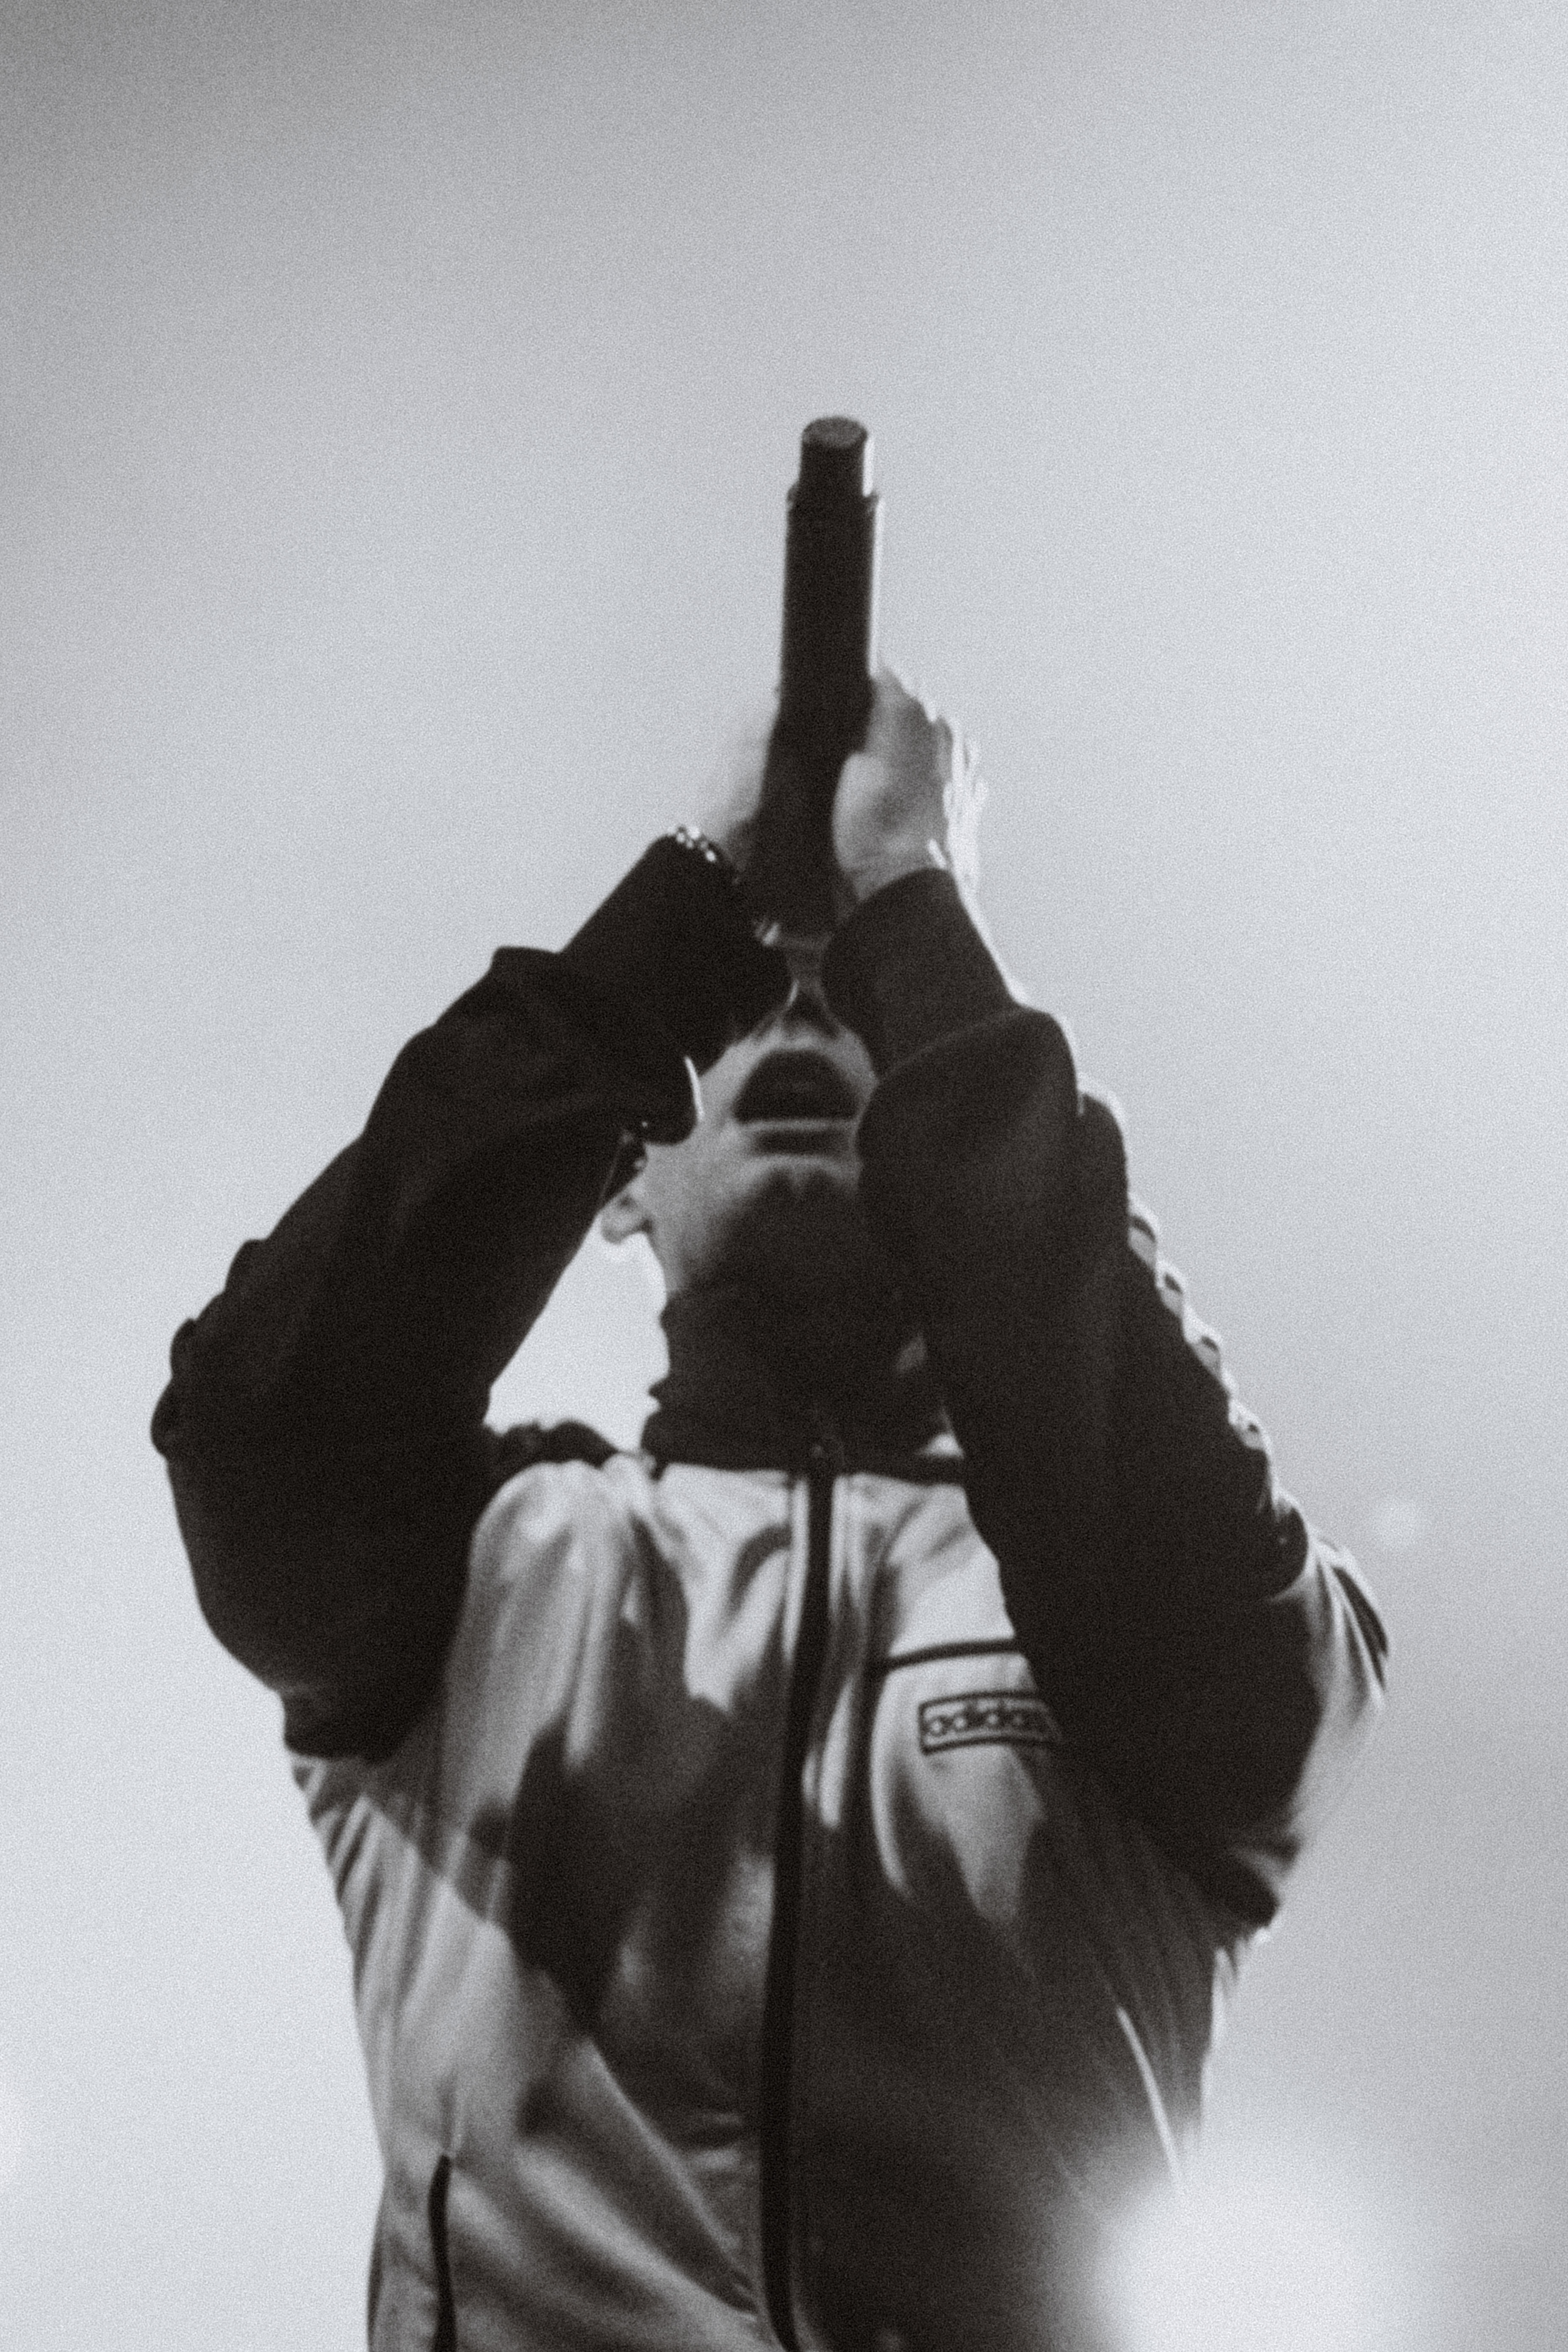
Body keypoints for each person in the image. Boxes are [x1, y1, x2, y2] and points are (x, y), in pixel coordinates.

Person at [152, 670, 1386, 2352]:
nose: (801, 1024)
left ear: (934, 1112)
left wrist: (914, 909)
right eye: (746, 1008)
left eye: (851, 997)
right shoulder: (477, 1565)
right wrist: (696, 891)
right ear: (614, 1183)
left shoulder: (1144, 1602)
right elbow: (264, 1432)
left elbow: (1213, 1629)